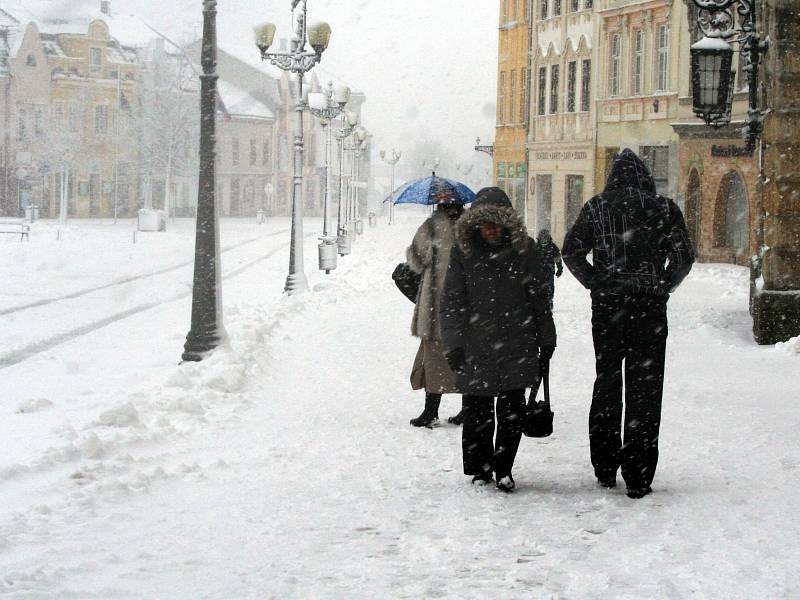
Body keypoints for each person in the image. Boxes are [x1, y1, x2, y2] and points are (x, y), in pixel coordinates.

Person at [562, 148, 694, 499]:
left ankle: (605, 464)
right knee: (646, 389)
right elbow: (683, 256)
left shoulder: (596, 207)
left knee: (607, 381)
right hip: (649, 309)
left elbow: (571, 251)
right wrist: (663, 283)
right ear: (645, 178)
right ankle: (639, 473)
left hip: (608, 309)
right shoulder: (665, 209)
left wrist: (596, 281)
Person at [440, 187, 556, 492]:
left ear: (507, 223)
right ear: (474, 225)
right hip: (476, 344)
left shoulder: (525, 251)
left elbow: (539, 299)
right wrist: (452, 343)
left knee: (511, 413)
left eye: (496, 222)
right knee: (478, 411)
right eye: (484, 223)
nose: (490, 229)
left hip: (517, 344)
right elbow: (452, 300)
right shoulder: (463, 253)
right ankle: (481, 467)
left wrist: (547, 340)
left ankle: (504, 467)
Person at [406, 189, 465, 428]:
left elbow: (417, 259)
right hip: (463, 304)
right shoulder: (469, 226)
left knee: (434, 360)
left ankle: (430, 412)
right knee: (464, 359)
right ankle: (468, 409)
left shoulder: (431, 227)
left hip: (436, 306)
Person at [536, 229, 563, 308]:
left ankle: (549, 301)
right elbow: (531, 259)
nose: (543, 239)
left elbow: (557, 259)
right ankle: (543, 301)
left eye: (545, 237)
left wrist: (560, 268)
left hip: (548, 270)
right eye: (542, 237)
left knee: (549, 287)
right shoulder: (536, 247)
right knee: (541, 287)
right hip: (540, 271)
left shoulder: (552, 247)